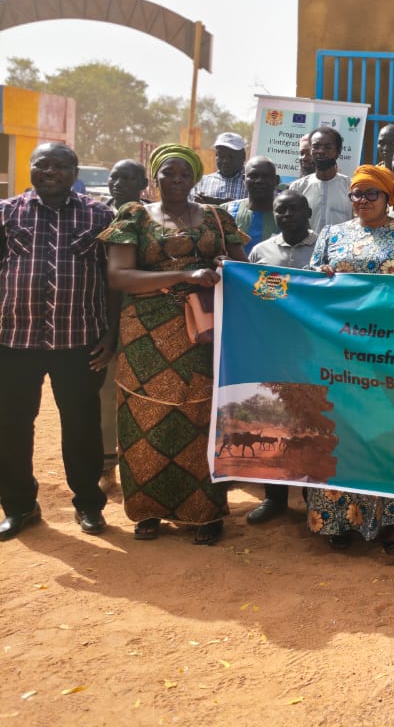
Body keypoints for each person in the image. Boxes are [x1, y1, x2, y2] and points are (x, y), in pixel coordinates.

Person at [101, 144, 249, 545]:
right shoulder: (134, 215)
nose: (177, 181)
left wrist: (223, 268)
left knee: (200, 417)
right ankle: (148, 511)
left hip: (202, 332)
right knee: (143, 420)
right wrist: (185, 274)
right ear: (156, 177)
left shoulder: (217, 218)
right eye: (168, 173)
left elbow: (245, 270)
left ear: (196, 178)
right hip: (144, 333)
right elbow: (119, 276)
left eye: (185, 174)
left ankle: (205, 513)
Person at [304, 165, 394, 554]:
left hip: (393, 356)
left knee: (391, 433)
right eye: (356, 194)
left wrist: (390, 308)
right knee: (342, 433)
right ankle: (338, 517)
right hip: (341, 357)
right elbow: (309, 288)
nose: (362, 201)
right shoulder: (331, 235)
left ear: (388, 197)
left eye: (371, 194)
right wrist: (321, 278)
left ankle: (393, 521)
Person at [0, 143, 116, 541]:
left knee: (81, 425)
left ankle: (88, 503)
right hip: (14, 339)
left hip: (79, 340)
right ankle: (19, 506)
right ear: (31, 168)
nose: (50, 171)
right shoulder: (6, 212)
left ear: (75, 172)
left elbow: (112, 280)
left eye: (60, 166)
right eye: (42, 164)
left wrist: (111, 333)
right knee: (11, 425)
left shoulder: (100, 215)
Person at [242, 190, 318, 525]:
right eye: (280, 210)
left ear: (308, 212)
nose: (287, 215)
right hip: (272, 349)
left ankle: (313, 498)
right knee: (273, 421)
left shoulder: (325, 246)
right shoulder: (261, 251)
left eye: (293, 209)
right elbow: (251, 296)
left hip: (314, 350)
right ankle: (274, 498)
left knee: (311, 423)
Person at [98, 158, 150, 491]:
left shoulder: (153, 219)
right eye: (114, 177)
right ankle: (107, 468)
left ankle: (142, 468)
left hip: (144, 319)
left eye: (128, 178)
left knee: (144, 395)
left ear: (143, 184)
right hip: (99, 320)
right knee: (104, 395)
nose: (118, 183)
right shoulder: (95, 215)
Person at [289, 127, 353, 231]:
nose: (321, 151)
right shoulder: (297, 188)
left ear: (338, 151)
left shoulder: (351, 187)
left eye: (327, 147)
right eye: (316, 147)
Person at [225, 156, 281, 254]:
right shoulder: (225, 212)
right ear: (244, 179)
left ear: (276, 180)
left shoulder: (287, 216)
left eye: (265, 176)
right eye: (253, 176)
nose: (259, 181)